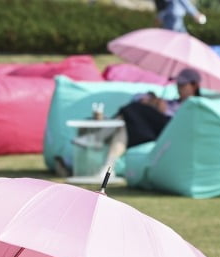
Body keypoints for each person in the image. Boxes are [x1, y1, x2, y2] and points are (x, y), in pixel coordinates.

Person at [72, 67, 202, 178]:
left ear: (194, 85)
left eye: (182, 85)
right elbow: (137, 97)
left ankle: (96, 137)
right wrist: (152, 100)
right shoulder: (171, 101)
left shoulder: (195, 106)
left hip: (165, 132)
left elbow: (182, 125)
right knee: (124, 125)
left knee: (132, 110)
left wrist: (164, 110)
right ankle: (107, 166)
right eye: (177, 84)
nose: (178, 88)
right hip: (143, 130)